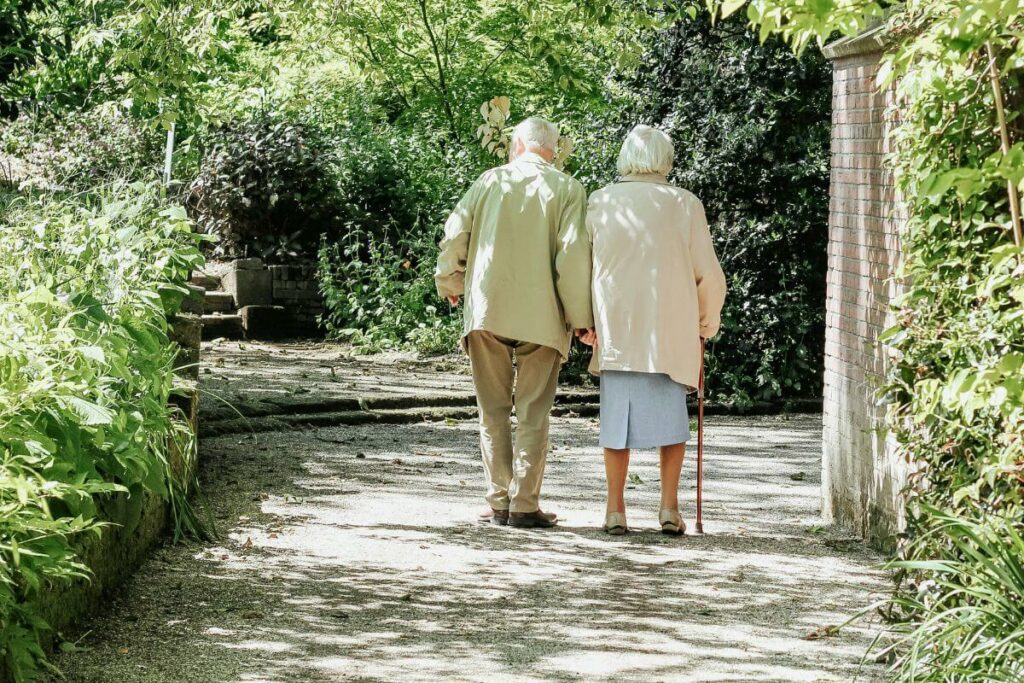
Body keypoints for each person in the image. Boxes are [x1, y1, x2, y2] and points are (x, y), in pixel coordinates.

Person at [435, 116, 594, 529]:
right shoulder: (568, 189)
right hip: (543, 316)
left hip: (488, 309)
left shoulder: (488, 181)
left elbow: (455, 235)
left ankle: (498, 500)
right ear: (553, 150)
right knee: (533, 411)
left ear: (518, 145)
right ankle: (524, 504)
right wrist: (581, 319)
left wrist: (449, 280)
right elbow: (573, 256)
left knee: (492, 410)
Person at [580, 124, 726, 536]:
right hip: (670, 329)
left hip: (619, 327)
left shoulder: (601, 201)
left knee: (615, 423)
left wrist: (584, 320)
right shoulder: (684, 204)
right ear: (666, 159)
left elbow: (582, 267)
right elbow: (708, 274)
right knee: (672, 422)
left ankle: (614, 509)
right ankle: (668, 507)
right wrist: (705, 321)